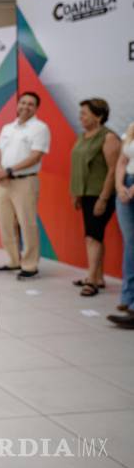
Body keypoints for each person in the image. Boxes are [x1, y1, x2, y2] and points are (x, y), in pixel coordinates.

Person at [0, 92, 50, 279]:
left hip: (25, 181)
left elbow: (36, 155)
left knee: (27, 224)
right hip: (4, 182)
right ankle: (13, 260)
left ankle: (30, 265)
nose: (26, 106)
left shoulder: (40, 128)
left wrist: (8, 170)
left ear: (36, 108)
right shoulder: (8, 127)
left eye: (31, 104)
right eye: (23, 102)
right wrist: (0, 170)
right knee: (6, 223)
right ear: (17, 105)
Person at [70, 98, 121, 297]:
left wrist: (104, 198)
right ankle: (98, 277)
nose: (80, 116)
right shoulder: (83, 136)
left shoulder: (108, 137)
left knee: (93, 237)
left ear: (98, 116)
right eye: (80, 112)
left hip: (101, 194)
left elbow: (113, 170)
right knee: (93, 236)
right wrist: (75, 193)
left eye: (85, 113)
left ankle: (91, 280)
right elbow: (78, 166)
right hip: (86, 194)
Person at [107, 122, 134, 328]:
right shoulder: (132, 127)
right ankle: (127, 300)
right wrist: (119, 185)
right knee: (131, 245)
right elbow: (123, 160)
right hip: (125, 186)